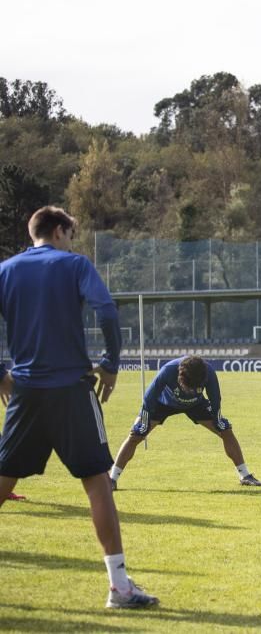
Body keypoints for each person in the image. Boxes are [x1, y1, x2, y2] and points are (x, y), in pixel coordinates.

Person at [0, 206, 158, 608]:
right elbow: (107, 310)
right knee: (97, 483)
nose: (72, 242)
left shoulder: (6, 270)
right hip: (71, 389)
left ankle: (121, 588)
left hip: (26, 392)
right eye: (70, 234)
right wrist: (110, 363)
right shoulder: (74, 265)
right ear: (58, 231)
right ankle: (119, 588)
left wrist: (1, 371)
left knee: (3, 481)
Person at [109, 355, 261, 489]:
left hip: (195, 404)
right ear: (180, 377)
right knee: (135, 435)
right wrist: (143, 423)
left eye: (194, 388)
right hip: (163, 403)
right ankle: (112, 479)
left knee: (226, 430)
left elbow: (215, 399)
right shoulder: (168, 370)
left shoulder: (208, 372)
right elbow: (148, 399)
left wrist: (218, 419)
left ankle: (245, 476)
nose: (190, 390)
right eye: (188, 387)